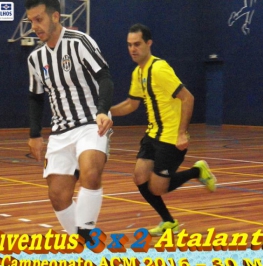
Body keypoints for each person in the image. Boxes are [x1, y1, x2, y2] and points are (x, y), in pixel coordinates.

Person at [110, 23, 217, 236]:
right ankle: (169, 222)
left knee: (158, 188)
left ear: (149, 43)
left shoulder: (159, 68)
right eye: (129, 45)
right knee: (140, 177)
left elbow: (188, 98)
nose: (133, 49)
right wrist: (105, 111)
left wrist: (181, 133)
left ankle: (198, 171)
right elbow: (131, 104)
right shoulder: (137, 73)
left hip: (170, 138)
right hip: (152, 135)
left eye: (137, 44)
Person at [25, 0, 114, 242]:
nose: (34, 26)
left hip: (91, 122)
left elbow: (105, 77)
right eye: (31, 20)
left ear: (55, 17)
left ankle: (85, 238)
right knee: (58, 196)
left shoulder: (79, 42)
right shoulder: (35, 59)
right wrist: (35, 134)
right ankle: (84, 240)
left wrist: (103, 110)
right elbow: (36, 97)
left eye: (39, 19)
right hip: (60, 131)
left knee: (90, 173)